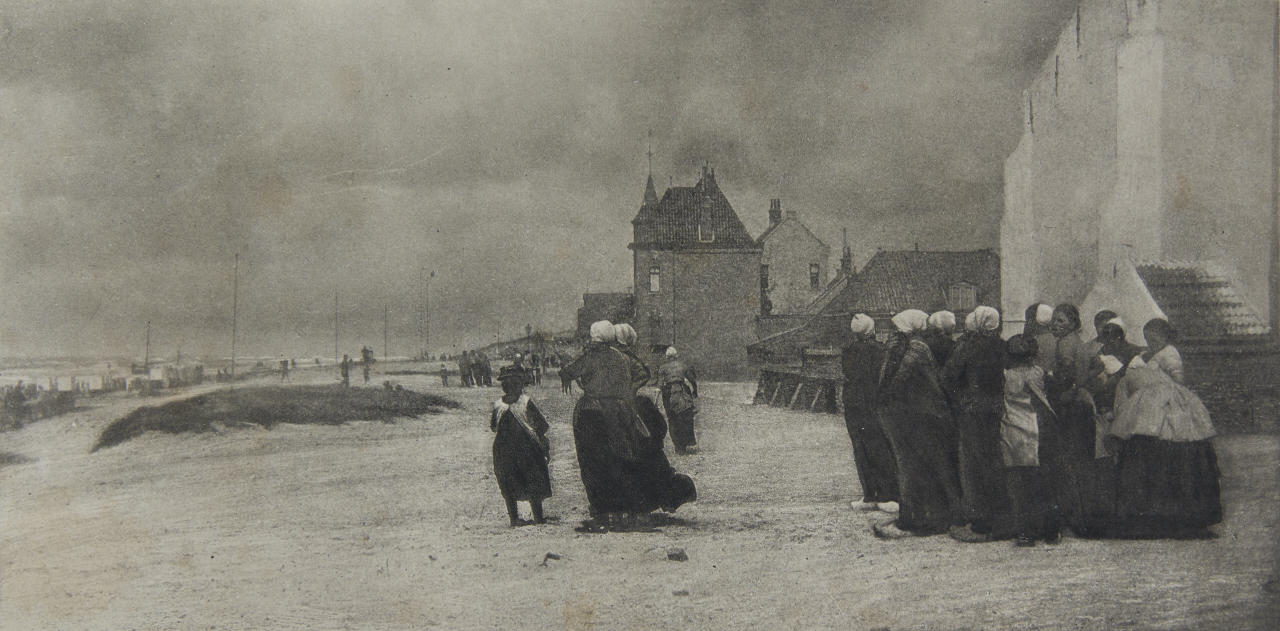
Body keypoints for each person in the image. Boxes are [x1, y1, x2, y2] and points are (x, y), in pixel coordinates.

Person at [562, 321, 694, 532]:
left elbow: (573, 372)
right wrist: (626, 393)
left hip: (596, 411)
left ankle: (608, 509)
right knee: (625, 458)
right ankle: (632, 508)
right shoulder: (624, 359)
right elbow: (642, 374)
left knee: (599, 462)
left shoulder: (599, 357)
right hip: (623, 409)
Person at [1105, 318, 1220, 538]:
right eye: (1148, 338)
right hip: (1159, 405)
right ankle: (1163, 515)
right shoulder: (1148, 359)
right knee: (1163, 448)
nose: (1151, 342)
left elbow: (1177, 381)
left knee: (1164, 448)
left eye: (1154, 338)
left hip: (1164, 406)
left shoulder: (1166, 355)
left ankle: (1164, 516)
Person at [871, 309, 963, 539]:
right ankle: (921, 515)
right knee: (916, 467)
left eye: (897, 328)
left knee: (920, 467)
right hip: (918, 415)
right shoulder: (909, 347)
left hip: (928, 415)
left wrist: (883, 398)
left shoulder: (917, 348)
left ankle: (925, 518)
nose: (894, 332)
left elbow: (899, 378)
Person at [941, 305, 1010, 542]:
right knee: (996, 461)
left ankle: (980, 521)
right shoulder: (1003, 346)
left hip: (973, 410)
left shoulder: (969, 347)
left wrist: (959, 398)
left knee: (973, 465)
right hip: (1000, 408)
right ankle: (1001, 517)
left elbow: (948, 376)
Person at [1043, 303, 1113, 533]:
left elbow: (1067, 377)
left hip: (1072, 406)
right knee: (1082, 460)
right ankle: (1086, 518)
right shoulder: (1078, 343)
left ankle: (1076, 518)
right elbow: (1089, 371)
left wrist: (1050, 381)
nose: (1055, 324)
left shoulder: (1065, 344)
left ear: (1073, 323)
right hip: (1083, 403)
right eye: (1054, 319)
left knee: (1070, 461)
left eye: (1061, 320)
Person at [1000, 334, 1064, 547]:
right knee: (1046, 482)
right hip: (1040, 430)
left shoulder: (1006, 376)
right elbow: (1054, 393)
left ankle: (1026, 532)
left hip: (1013, 432)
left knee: (1020, 485)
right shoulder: (1039, 373)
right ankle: (1051, 530)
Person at [841, 314, 898, 513]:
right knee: (880, 448)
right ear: (871, 330)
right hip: (874, 405)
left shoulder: (848, 352)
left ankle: (869, 493)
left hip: (854, 406)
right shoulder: (881, 351)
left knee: (861, 449)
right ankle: (887, 494)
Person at [490, 365, 551, 527]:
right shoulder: (526, 401)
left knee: (508, 481)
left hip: (503, 449)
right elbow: (542, 425)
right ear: (521, 384)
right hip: (527, 448)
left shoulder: (498, 404)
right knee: (533, 478)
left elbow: (493, 427)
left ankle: (514, 518)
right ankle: (538, 516)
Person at [658, 346, 700, 455]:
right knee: (686, 416)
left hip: (669, 392)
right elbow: (692, 380)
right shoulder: (683, 365)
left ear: (667, 357)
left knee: (672, 419)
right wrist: (695, 392)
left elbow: (659, 385)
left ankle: (678, 447)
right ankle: (686, 443)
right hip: (683, 391)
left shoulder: (663, 368)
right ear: (676, 356)